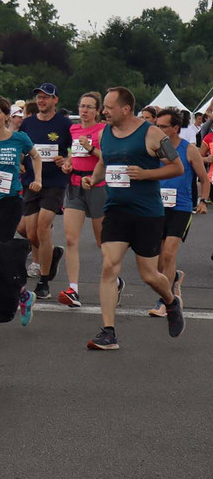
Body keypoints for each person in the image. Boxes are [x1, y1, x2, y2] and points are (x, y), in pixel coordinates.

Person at [82, 87, 184, 349]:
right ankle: (109, 333)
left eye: (109, 107)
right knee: (109, 266)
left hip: (147, 214)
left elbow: (177, 167)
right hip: (116, 210)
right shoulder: (104, 133)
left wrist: (146, 174)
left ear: (126, 109)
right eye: (104, 107)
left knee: (150, 275)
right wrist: (93, 178)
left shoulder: (151, 134)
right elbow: (104, 162)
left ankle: (171, 302)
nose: (104, 111)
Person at [0, 94, 42, 325]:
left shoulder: (19, 138)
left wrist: (38, 179)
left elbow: (36, 157)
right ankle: (23, 294)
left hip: (10, 201)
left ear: (6, 116)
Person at [146, 108, 208, 316]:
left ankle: (166, 301)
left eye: (163, 126)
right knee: (159, 259)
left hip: (181, 207)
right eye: (157, 125)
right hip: (156, 207)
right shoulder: (154, 148)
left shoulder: (188, 149)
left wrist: (202, 201)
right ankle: (174, 279)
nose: (158, 129)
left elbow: (204, 178)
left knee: (169, 253)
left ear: (175, 128)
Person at [19, 83, 71, 299]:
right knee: (30, 233)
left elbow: (74, 151)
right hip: (31, 182)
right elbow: (21, 149)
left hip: (55, 182)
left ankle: (44, 281)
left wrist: (66, 159)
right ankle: (52, 253)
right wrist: (19, 163)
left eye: (46, 97)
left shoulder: (64, 124)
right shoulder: (28, 123)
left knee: (43, 227)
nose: (41, 101)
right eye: (39, 97)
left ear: (55, 100)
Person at [56, 92, 108, 308]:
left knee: (102, 241)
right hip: (75, 185)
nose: (84, 110)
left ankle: (114, 281)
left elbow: (108, 158)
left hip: (97, 186)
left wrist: (90, 148)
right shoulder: (74, 129)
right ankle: (73, 289)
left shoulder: (103, 130)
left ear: (97, 111)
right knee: (70, 239)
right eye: (82, 106)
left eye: (89, 107)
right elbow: (74, 154)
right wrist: (68, 164)